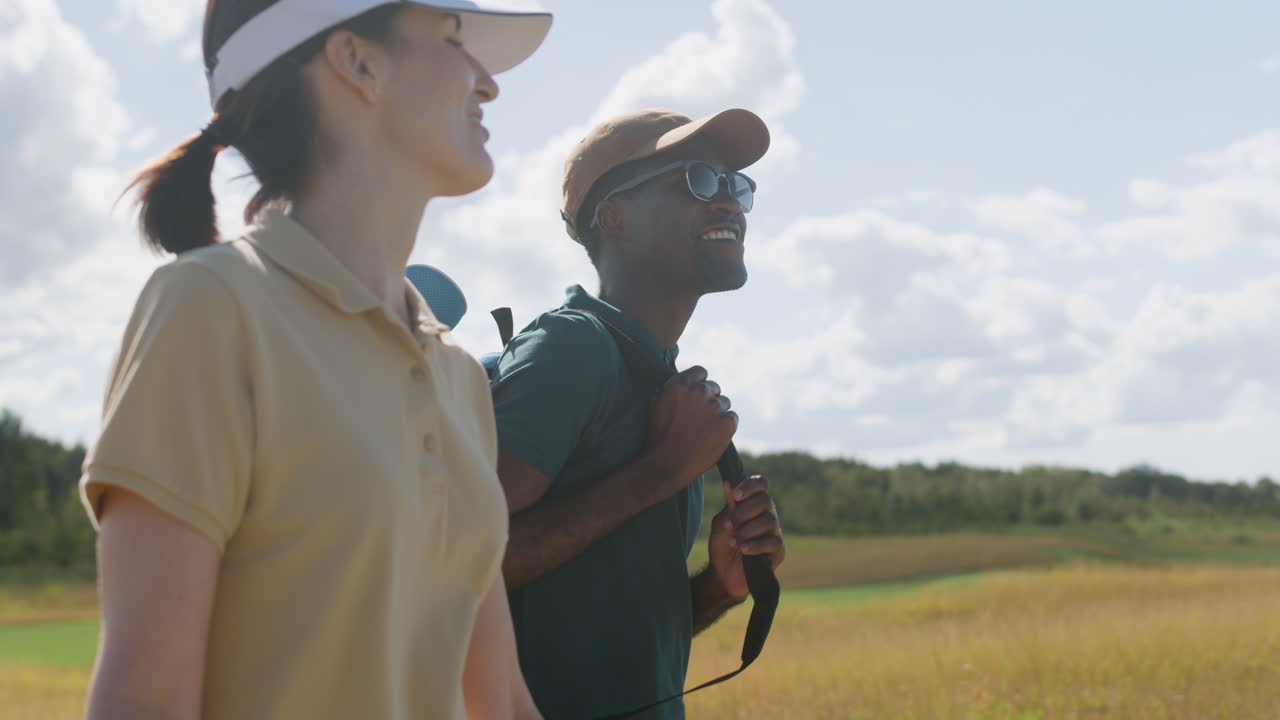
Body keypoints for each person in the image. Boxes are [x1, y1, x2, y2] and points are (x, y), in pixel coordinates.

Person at [79, 2, 551, 719]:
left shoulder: (458, 375)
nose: (488, 84)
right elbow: (141, 703)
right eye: (454, 39)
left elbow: (501, 701)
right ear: (358, 61)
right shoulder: (211, 309)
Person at [489, 108, 788, 720]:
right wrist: (661, 471)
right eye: (698, 180)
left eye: (736, 186)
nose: (727, 202)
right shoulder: (571, 349)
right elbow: (459, 563)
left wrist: (718, 587)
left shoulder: (657, 379)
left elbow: (612, 638)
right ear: (613, 216)